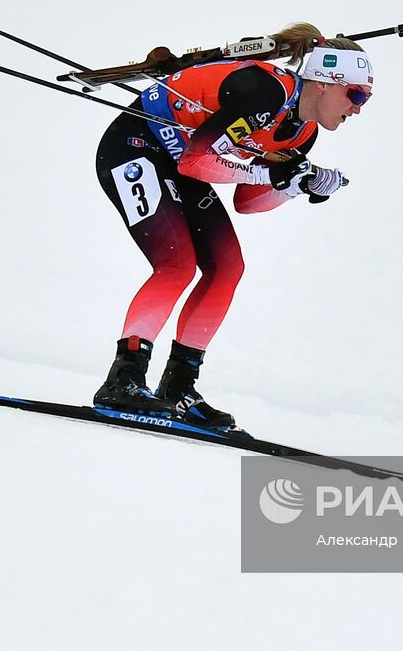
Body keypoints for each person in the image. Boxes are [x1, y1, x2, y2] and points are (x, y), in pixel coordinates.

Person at [92, 22, 375, 430]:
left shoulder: (303, 132)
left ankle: (178, 388)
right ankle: (124, 380)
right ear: (323, 84)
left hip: (182, 165)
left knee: (227, 267)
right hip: (137, 144)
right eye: (356, 94)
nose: (359, 107)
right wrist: (273, 176)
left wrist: (294, 184)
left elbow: (247, 201)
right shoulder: (266, 91)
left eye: (365, 98)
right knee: (177, 266)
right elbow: (196, 161)